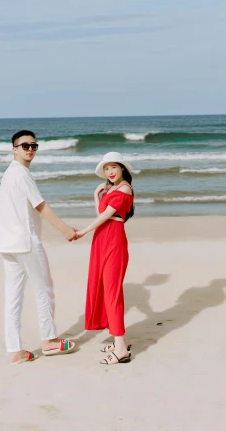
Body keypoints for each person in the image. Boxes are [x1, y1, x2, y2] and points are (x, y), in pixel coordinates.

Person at [0, 130, 78, 364]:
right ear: (14, 149)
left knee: (13, 297)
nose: (30, 149)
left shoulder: (10, 174)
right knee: (45, 289)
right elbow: (41, 206)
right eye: (24, 146)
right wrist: (64, 229)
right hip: (25, 241)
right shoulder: (21, 174)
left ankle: (15, 350)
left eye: (34, 145)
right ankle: (49, 340)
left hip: (7, 243)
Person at [74, 152, 135, 365]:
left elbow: (104, 217)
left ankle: (121, 351)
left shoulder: (125, 188)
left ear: (122, 169)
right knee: (103, 289)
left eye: (113, 167)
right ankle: (122, 342)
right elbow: (100, 213)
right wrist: (96, 195)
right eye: (106, 168)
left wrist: (82, 232)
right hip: (101, 240)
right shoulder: (111, 190)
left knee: (112, 293)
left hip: (113, 242)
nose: (110, 172)